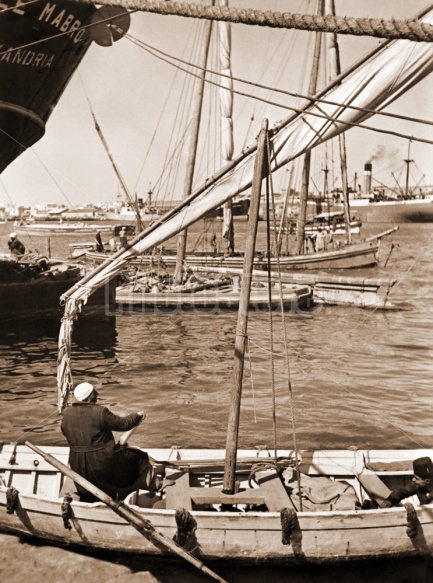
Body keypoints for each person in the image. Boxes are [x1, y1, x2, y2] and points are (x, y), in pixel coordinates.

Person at [61, 382, 157, 502]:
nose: (97, 394)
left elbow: (65, 432)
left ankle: (90, 496)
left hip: (77, 463)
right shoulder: (100, 412)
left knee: (121, 455)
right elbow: (123, 424)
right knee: (138, 458)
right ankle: (142, 486)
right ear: (89, 396)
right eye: (94, 392)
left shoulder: (66, 413)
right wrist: (137, 415)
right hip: (102, 462)